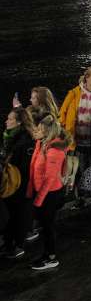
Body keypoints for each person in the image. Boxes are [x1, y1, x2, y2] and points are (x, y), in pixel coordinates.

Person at [26, 114, 67, 271]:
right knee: (45, 225)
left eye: (41, 129)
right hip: (42, 192)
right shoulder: (42, 144)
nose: (37, 130)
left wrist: (38, 200)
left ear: (48, 132)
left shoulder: (54, 150)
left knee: (48, 226)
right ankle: (47, 254)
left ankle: (51, 257)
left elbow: (49, 179)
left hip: (49, 194)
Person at [58, 67, 91, 193]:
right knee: (78, 170)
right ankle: (80, 196)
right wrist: (65, 131)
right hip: (77, 140)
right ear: (87, 78)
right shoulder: (74, 93)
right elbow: (62, 112)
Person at [1, 107, 36, 259]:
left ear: (19, 122)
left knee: (19, 215)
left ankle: (17, 245)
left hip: (20, 185)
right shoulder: (10, 136)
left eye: (10, 119)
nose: (6, 121)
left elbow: (24, 167)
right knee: (11, 214)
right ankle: (9, 243)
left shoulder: (25, 141)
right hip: (12, 183)